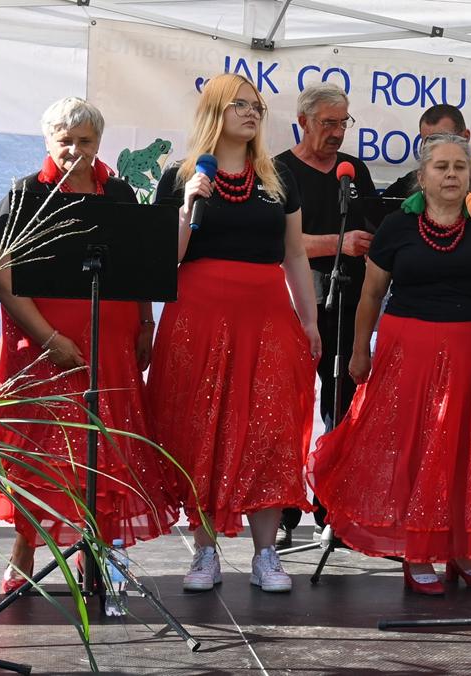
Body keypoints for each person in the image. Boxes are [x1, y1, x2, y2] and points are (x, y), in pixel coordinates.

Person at [309, 134, 471, 595]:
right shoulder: (397, 227)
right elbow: (371, 293)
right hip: (410, 349)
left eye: (459, 167)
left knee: (469, 452)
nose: (451, 175)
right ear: (422, 177)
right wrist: (360, 350)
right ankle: (419, 550)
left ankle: (462, 549)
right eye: (441, 167)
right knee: (418, 449)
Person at [0, 97, 179, 594]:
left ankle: (97, 552)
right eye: (65, 141)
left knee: (106, 445)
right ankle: (25, 548)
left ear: (99, 142)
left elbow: (138, 265)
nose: (75, 151)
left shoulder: (119, 192)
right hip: (42, 346)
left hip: (112, 342)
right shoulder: (24, 194)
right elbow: (1, 277)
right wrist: (49, 338)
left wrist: (145, 323)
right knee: (41, 449)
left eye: (85, 141)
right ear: (48, 141)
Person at [148, 73, 321, 593]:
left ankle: (266, 553)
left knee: (269, 431)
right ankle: (205, 552)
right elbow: (163, 259)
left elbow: (294, 254)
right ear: (215, 111)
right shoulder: (180, 176)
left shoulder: (278, 178)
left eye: (257, 107)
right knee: (203, 430)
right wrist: (186, 209)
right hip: (197, 320)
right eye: (240, 105)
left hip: (267, 318)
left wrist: (309, 319)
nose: (251, 114)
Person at [275, 82, 376, 545]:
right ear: (303, 122)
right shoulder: (278, 171)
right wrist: (338, 243)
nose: (337, 132)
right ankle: (281, 510)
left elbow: (371, 235)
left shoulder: (354, 172)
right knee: (287, 406)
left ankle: (330, 506)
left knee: (343, 403)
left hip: (349, 303)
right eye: (328, 123)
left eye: (343, 123)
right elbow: (279, 243)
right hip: (294, 302)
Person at [382, 104, 471, 267]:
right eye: (428, 142)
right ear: (421, 179)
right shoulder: (410, 185)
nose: (437, 148)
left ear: (465, 137)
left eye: (444, 138)